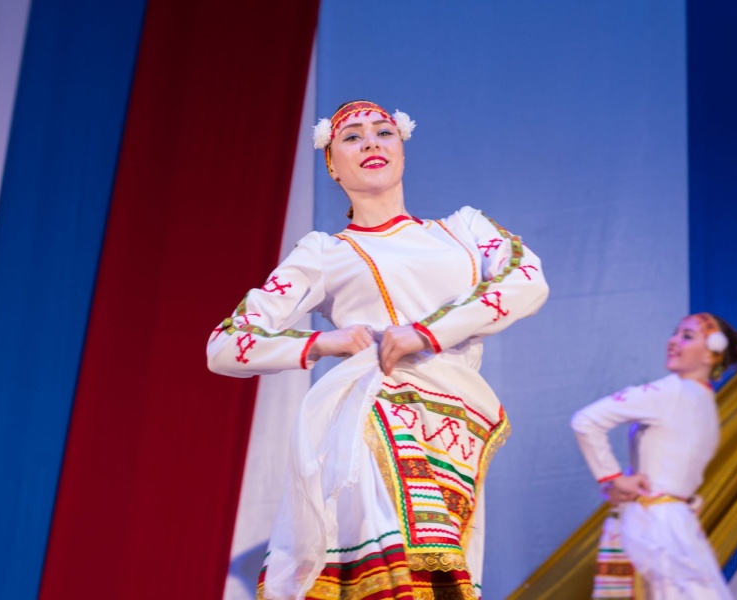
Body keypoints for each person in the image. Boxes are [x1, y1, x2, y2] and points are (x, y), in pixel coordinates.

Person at [207, 100, 550, 599]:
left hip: (458, 425)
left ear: (402, 150)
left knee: (448, 583)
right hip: (374, 419)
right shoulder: (324, 252)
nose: (370, 141)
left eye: (383, 132)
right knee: (393, 577)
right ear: (331, 164)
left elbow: (527, 281)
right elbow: (226, 345)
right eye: (352, 136)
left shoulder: (466, 228)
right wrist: (324, 342)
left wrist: (424, 333)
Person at [571, 313, 737, 600]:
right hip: (670, 522)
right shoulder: (705, 402)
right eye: (676, 333)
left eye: (687, 336)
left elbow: (586, 420)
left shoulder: (673, 391)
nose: (673, 341)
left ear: (711, 354)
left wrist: (614, 478)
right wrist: (616, 480)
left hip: (656, 525)